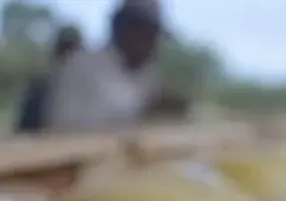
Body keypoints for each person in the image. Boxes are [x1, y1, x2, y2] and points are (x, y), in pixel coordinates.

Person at [43, 0, 189, 132]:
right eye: (143, 32)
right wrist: (140, 114)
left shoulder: (149, 77)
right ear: (119, 26)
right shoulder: (79, 67)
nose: (151, 43)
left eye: (154, 35)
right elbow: (62, 130)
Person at [15, 26, 84, 134]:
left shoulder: (91, 93)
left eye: (73, 53)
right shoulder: (38, 92)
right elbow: (25, 133)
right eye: (65, 52)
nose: (68, 59)